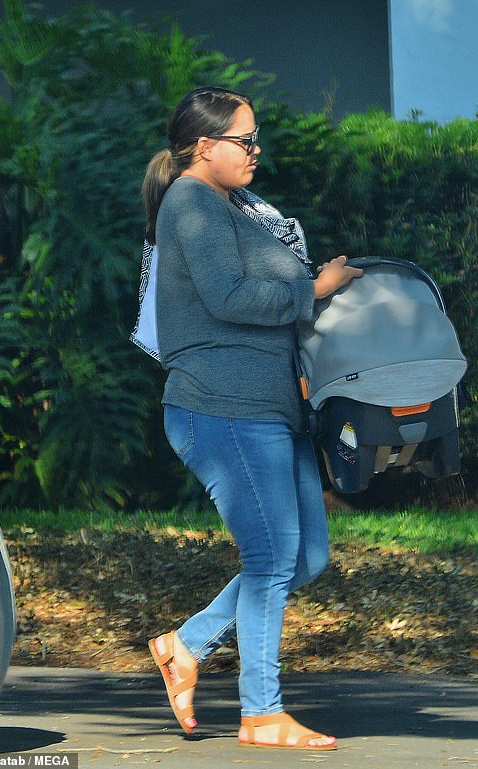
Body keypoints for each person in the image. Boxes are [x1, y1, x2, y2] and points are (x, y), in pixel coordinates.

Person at [140, 86, 362, 750]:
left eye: (255, 138)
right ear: (204, 147)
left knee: (309, 553)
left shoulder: (239, 207)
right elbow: (229, 295)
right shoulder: (191, 203)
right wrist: (312, 289)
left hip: (272, 407)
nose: (255, 150)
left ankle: (186, 643)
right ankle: (261, 712)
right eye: (244, 139)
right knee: (269, 557)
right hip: (221, 405)